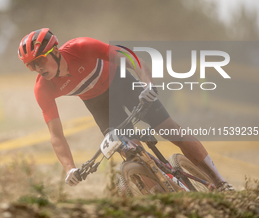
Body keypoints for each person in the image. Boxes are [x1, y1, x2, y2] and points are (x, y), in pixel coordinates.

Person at [18, 28, 234, 192]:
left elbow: (131, 57)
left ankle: (220, 182)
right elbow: (56, 135)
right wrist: (69, 168)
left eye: (40, 60)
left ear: (55, 52)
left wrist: (147, 83)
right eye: (30, 66)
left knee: (170, 130)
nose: (37, 68)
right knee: (131, 154)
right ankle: (163, 198)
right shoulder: (42, 88)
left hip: (123, 85)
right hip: (100, 106)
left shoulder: (82, 47)